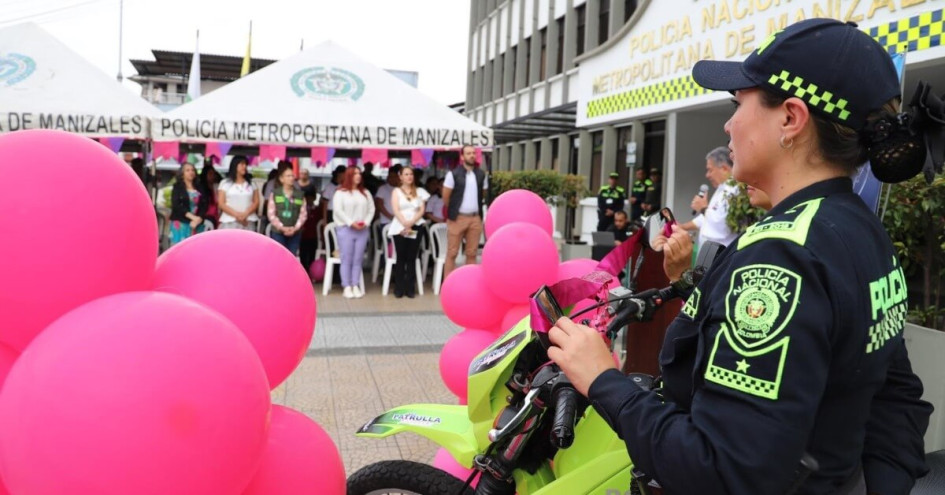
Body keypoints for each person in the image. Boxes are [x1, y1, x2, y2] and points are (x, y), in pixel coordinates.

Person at [546, 19, 933, 495]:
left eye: (739, 104)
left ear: (790, 118)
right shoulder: (859, 228)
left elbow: (723, 470)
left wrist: (604, 380)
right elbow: (896, 399)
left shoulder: (779, 258)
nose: (728, 125)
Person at [678, 147, 739, 248]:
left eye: (710, 170)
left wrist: (703, 208)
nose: (707, 175)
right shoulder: (721, 188)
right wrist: (683, 227)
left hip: (721, 253)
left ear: (724, 169)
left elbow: (724, 224)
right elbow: (707, 217)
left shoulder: (736, 190)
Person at [442, 145, 488, 277]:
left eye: (473, 153)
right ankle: (448, 284)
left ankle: (469, 284)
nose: (472, 155)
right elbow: (446, 197)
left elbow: (483, 194)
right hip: (458, 218)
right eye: (468, 153)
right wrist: (453, 210)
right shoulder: (453, 174)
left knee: (472, 253)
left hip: (475, 218)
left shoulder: (481, 174)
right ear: (462, 156)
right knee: (452, 253)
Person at [332, 166, 375, 299]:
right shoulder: (340, 192)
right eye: (355, 173)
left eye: (359, 173)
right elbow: (338, 210)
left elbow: (371, 210)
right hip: (346, 229)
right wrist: (351, 223)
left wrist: (365, 222)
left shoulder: (366, 193)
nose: (358, 176)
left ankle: (355, 284)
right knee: (346, 258)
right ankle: (346, 286)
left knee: (358, 259)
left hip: (362, 229)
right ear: (349, 175)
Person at [388, 167, 430, 298]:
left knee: (412, 257)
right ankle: (399, 288)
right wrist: (404, 223)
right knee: (401, 257)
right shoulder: (396, 191)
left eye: (411, 174)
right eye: (406, 174)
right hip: (400, 227)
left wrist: (411, 223)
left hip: (415, 225)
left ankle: (410, 288)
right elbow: (395, 209)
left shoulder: (421, 191)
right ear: (400, 177)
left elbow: (421, 210)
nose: (409, 176)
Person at [267, 163, 307, 256]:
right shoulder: (275, 194)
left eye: (292, 175)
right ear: (281, 179)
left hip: (295, 233)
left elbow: (303, 214)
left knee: (292, 257)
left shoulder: (300, 195)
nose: (291, 178)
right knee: (278, 257)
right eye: (288, 176)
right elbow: (271, 214)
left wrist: (295, 228)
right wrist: (282, 227)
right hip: (278, 232)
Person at [168, 162, 208, 246]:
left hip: (197, 223)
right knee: (179, 248)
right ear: (182, 174)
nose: (191, 172)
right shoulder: (177, 187)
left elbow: (205, 204)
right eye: (188, 170)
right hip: (181, 222)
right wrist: (192, 217)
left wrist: (198, 218)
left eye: (192, 170)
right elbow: (176, 205)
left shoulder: (200, 187)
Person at [217, 155, 260, 231]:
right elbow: (221, 203)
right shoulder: (225, 183)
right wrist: (237, 215)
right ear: (235, 165)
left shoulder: (252, 183)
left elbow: (256, 202)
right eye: (242, 164)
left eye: (245, 164)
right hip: (229, 220)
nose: (244, 166)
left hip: (248, 220)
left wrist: (245, 214)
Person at [199, 161, 222, 228]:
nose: (212, 176)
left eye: (213, 173)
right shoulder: (201, 188)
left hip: (217, 216)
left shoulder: (217, 187)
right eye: (210, 173)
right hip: (206, 216)